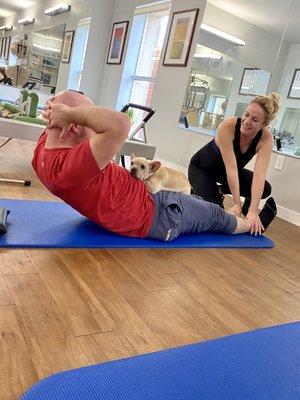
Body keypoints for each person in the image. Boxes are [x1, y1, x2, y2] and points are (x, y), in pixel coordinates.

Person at [32, 90, 276, 242]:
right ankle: (254, 225)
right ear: (71, 124)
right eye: (85, 117)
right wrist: (74, 114)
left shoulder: (43, 151)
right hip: (159, 215)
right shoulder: (70, 167)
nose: (94, 128)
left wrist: (64, 112)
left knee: (202, 204)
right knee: (213, 214)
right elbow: (119, 123)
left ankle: (237, 213)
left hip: (149, 196)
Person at [188, 92, 280, 235]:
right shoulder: (228, 126)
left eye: (255, 119)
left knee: (265, 189)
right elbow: (232, 169)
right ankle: (204, 191)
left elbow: (259, 176)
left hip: (226, 173)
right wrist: (237, 203)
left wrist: (253, 210)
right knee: (215, 212)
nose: (247, 121)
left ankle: (248, 216)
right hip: (202, 168)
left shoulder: (266, 137)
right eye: (246, 114)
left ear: (264, 124)